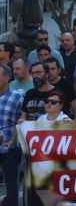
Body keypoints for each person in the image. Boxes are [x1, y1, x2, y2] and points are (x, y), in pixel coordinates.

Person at [0, 64, 23, 206]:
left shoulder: (18, 97)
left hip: (9, 147)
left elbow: (21, 122)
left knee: (11, 184)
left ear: (7, 77)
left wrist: (11, 141)